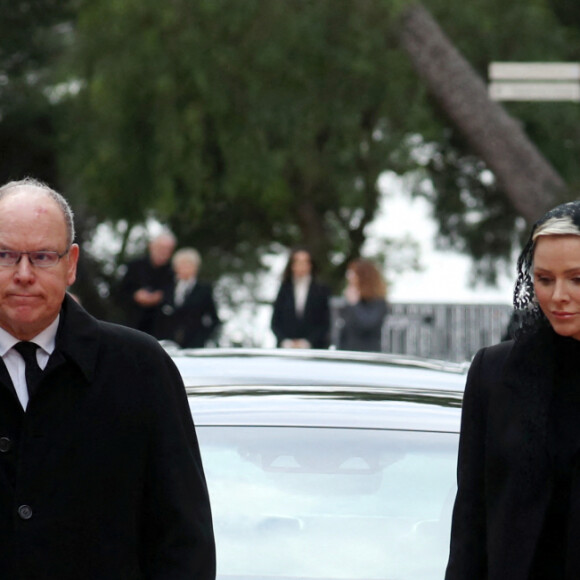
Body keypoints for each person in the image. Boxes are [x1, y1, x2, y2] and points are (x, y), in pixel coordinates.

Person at [0, 178, 215, 579]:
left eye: (43, 256)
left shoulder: (141, 369)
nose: (23, 273)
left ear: (72, 264)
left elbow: (184, 544)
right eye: (5, 255)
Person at [446, 200, 580, 579]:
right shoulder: (493, 373)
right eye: (545, 279)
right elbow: (470, 519)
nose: (558, 296)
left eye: (577, 279)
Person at [155, 247, 221, 348]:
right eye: (181, 265)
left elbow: (214, 320)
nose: (184, 268)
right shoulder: (167, 288)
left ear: (196, 267)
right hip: (168, 344)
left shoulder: (204, 290)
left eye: (188, 265)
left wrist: (203, 337)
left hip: (194, 344)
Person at [118, 230, 176, 336]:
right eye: (161, 248)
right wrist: (135, 295)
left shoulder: (173, 272)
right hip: (131, 324)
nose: (163, 252)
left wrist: (160, 297)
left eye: (168, 250)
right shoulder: (134, 266)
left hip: (159, 329)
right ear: (151, 247)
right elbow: (119, 292)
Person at [271, 246, 330, 349]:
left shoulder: (321, 290)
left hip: (314, 349)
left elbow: (325, 322)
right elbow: (275, 322)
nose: (301, 266)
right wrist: (286, 342)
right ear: (292, 265)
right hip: (286, 349)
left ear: (310, 265)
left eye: (305, 262)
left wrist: (307, 342)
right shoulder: (284, 290)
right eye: (298, 262)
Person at [337, 258, 388, 352]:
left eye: (353, 274)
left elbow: (368, 325)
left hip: (367, 355)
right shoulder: (350, 303)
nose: (349, 277)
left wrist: (355, 305)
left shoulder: (378, 303)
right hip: (348, 354)